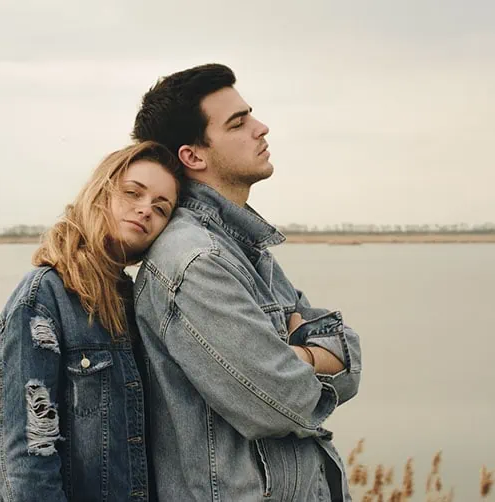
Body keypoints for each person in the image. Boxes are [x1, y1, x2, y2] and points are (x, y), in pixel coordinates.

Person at [130, 63, 363, 501]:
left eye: (250, 115)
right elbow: (285, 401)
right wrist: (309, 354)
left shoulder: (248, 250)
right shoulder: (195, 262)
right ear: (193, 156)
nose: (261, 128)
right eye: (238, 123)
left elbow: (348, 355)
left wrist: (293, 356)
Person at [0, 140, 183, 502]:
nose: (145, 211)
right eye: (133, 193)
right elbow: (27, 459)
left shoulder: (137, 301)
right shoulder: (43, 298)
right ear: (100, 194)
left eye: (161, 208)